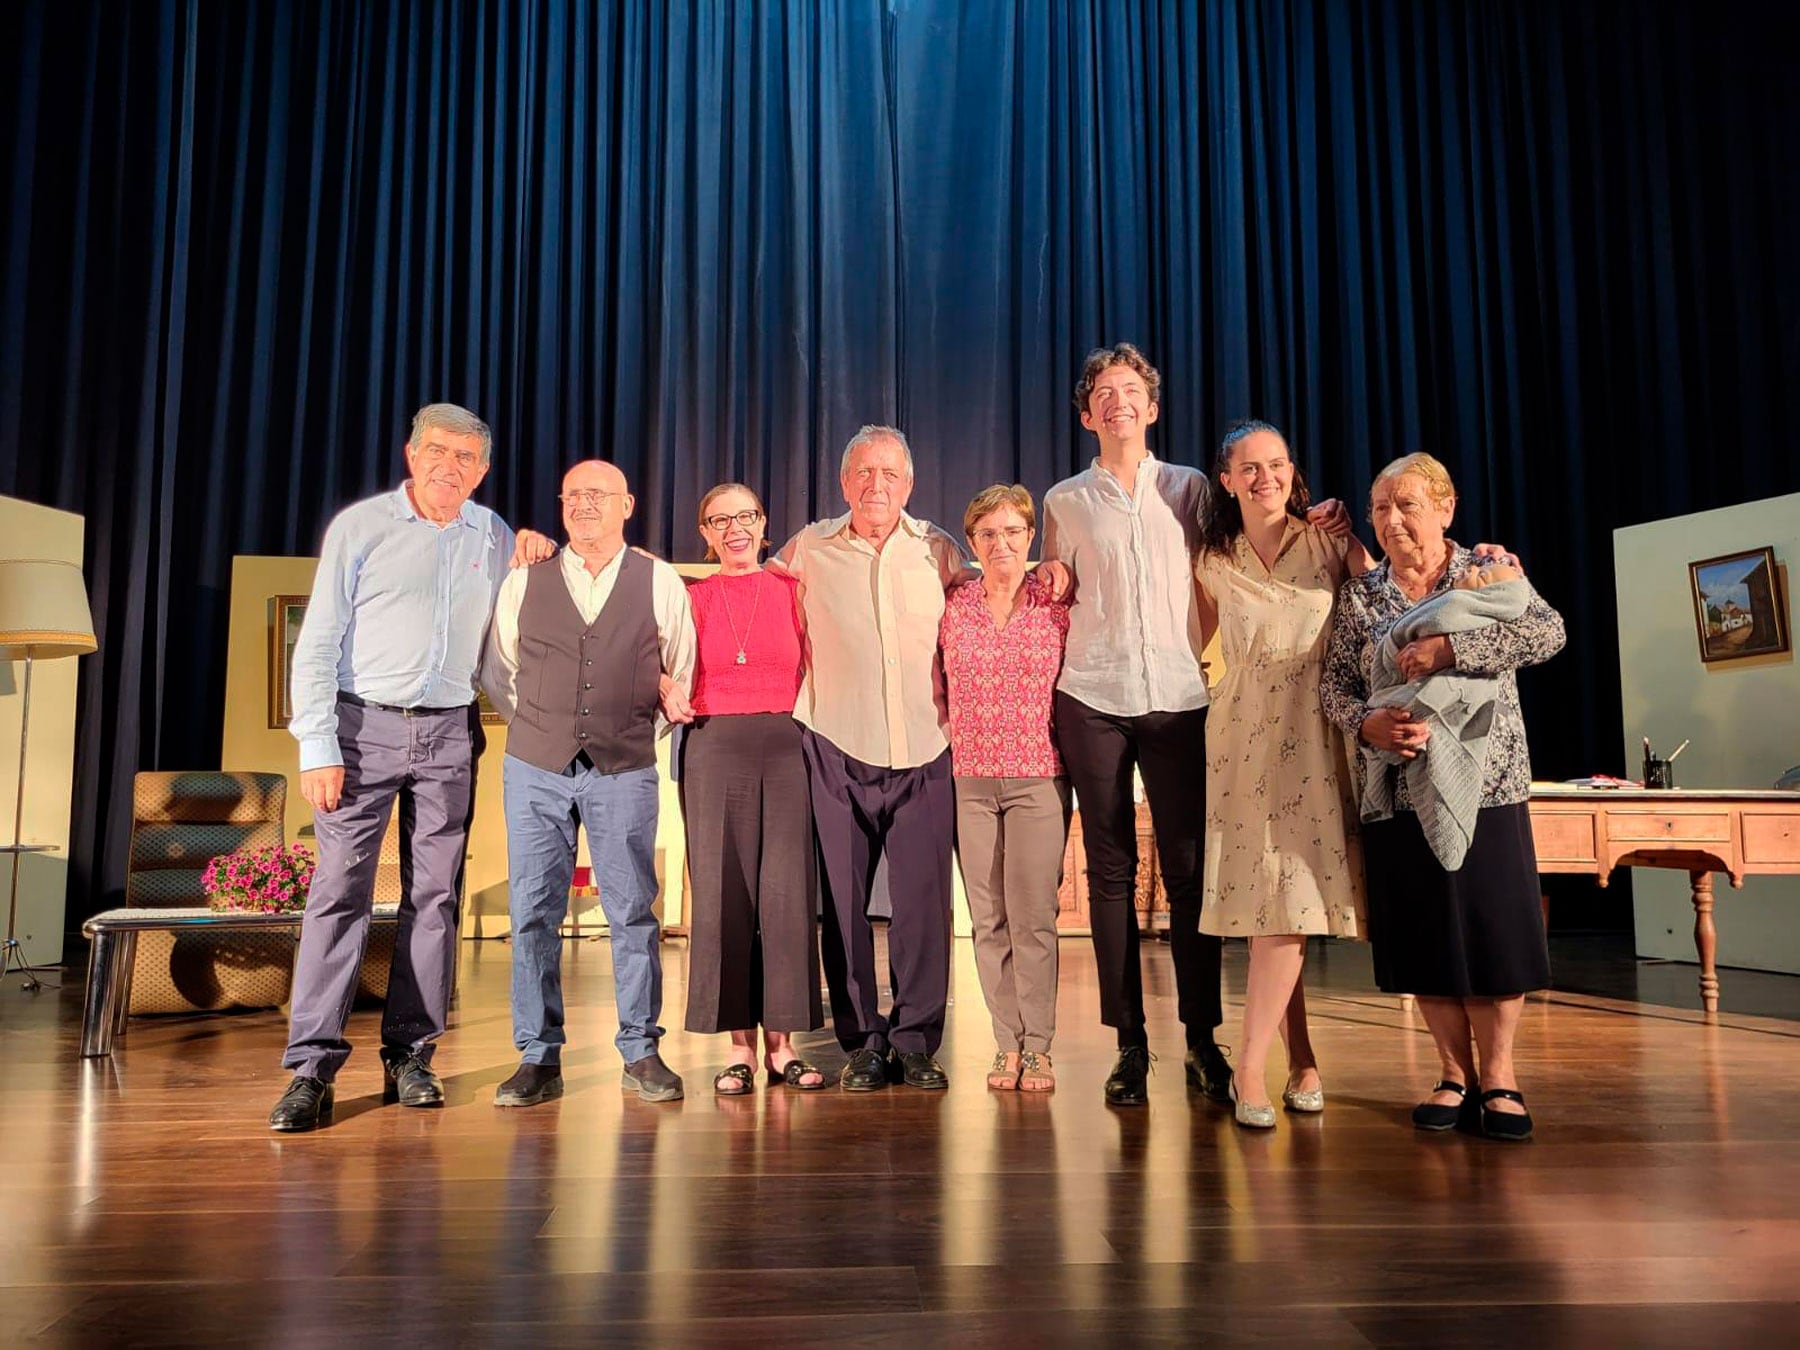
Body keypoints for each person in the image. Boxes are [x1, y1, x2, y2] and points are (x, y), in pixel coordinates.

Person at [1041, 345, 1351, 1107]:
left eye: (1132, 391)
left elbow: (1259, 529)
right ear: (1087, 415)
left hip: (1180, 697)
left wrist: (1324, 517)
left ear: (1152, 408)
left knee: (1188, 876)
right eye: (1103, 394)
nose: (1119, 402)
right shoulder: (1063, 500)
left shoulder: (1189, 491)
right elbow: (1057, 586)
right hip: (1091, 694)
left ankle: (1202, 1041)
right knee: (1108, 871)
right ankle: (1129, 1046)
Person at [272, 403, 522, 1132]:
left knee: (434, 897)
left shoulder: (493, 534)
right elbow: (317, 644)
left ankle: (411, 1053)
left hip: (450, 734)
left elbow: (499, 650)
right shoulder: (361, 527)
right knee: (338, 894)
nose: (451, 467)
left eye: (467, 458)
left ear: (483, 469)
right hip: (360, 729)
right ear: (412, 455)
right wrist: (317, 745)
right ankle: (310, 1068)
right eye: (439, 452)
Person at [1321, 452, 1565, 1141]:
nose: (1392, 520)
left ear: (1445, 509)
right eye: (1380, 508)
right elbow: (1334, 687)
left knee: (1494, 932)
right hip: (1400, 786)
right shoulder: (1362, 596)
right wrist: (1366, 722)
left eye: (1407, 505)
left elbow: (1548, 631)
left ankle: (1501, 1077)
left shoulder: (1489, 571)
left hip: (1489, 780)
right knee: (1426, 934)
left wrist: (1453, 651)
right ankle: (1453, 1072)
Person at [484, 460, 696, 1106]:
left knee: (632, 912)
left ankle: (641, 1050)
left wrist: (628, 730)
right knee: (533, 913)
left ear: (627, 504)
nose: (583, 505)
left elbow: (678, 670)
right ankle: (538, 1057)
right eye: (572, 494)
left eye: (597, 495)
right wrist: (546, 730)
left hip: (624, 767)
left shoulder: (660, 581)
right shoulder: (525, 580)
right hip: (535, 767)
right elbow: (501, 670)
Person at [774, 426, 968, 1091]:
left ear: (909, 485)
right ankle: (862, 1040)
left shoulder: (940, 550)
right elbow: (753, 602)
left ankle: (915, 1040)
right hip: (833, 740)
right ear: (843, 481)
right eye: (863, 472)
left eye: (890, 474)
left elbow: (986, 612)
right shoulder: (807, 548)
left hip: (925, 745)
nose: (876, 485)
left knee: (922, 905)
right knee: (844, 903)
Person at [1193, 419, 1373, 1129]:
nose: (1264, 476)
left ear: (1291, 471)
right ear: (1227, 478)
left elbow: (1382, 599)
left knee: (1291, 899)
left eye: (1276, 464)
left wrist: (1354, 534)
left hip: (1315, 727)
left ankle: (1247, 1065)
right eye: (1249, 466)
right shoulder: (1211, 557)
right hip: (1238, 737)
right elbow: (1195, 648)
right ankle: (1300, 1054)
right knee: (1271, 909)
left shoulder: (1328, 540)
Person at [667, 483, 826, 1094]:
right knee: (724, 894)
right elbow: (654, 658)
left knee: (786, 894)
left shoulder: (795, 591)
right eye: (719, 519)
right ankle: (740, 1050)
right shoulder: (690, 598)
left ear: (764, 524)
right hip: (714, 745)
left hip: (787, 745)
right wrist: (663, 684)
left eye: (745, 516)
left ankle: (785, 1047)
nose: (734, 528)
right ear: (705, 534)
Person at [939, 484, 1072, 1092]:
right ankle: (1005, 1044)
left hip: (1036, 776)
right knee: (987, 918)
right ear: (971, 543)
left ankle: (1039, 1046)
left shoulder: (1055, 603)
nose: (1001, 544)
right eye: (988, 534)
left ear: (1030, 537)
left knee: (1033, 917)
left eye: (1013, 532)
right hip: (969, 778)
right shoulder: (954, 604)